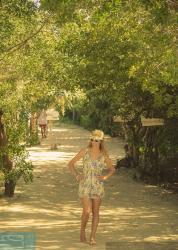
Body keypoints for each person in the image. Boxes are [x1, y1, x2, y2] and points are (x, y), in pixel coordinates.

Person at [67, 129, 115, 246]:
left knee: (96, 212)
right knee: (87, 212)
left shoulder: (104, 155)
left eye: (97, 140)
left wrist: (105, 177)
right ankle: (82, 230)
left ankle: (93, 236)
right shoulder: (84, 151)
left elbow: (112, 169)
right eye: (92, 140)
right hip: (85, 185)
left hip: (98, 186)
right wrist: (77, 175)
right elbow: (70, 164)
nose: (94, 142)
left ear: (101, 141)